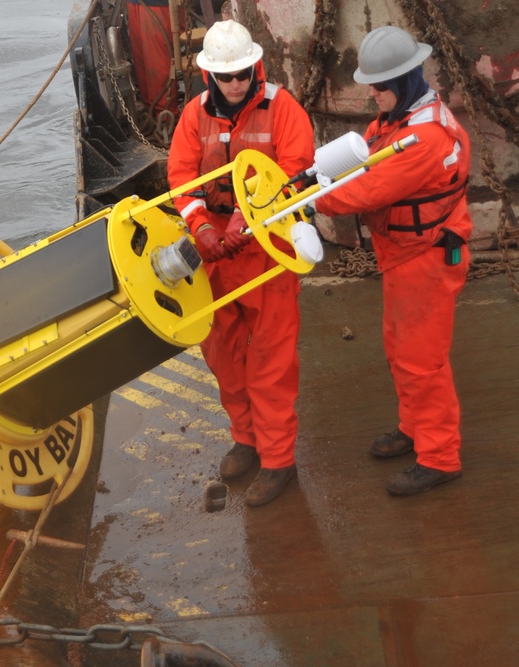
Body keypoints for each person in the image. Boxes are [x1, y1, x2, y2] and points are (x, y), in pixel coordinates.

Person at [313, 26, 472, 496]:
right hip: (403, 257)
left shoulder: (424, 139)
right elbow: (361, 162)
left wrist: (311, 202)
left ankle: (440, 457)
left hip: (425, 258)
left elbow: (364, 189)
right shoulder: (397, 119)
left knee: (423, 360)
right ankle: (413, 428)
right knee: (400, 350)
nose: (372, 93)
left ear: (405, 81)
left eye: (380, 86)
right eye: (371, 84)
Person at [167, 19, 315, 506]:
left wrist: (244, 225)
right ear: (209, 77)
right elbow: (181, 176)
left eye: (243, 74)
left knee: (271, 360)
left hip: (268, 252)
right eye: (226, 77)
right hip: (215, 254)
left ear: (256, 66)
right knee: (223, 354)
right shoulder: (194, 115)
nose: (236, 83)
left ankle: (277, 461)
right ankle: (246, 440)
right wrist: (202, 228)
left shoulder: (283, 109)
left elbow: (296, 173)